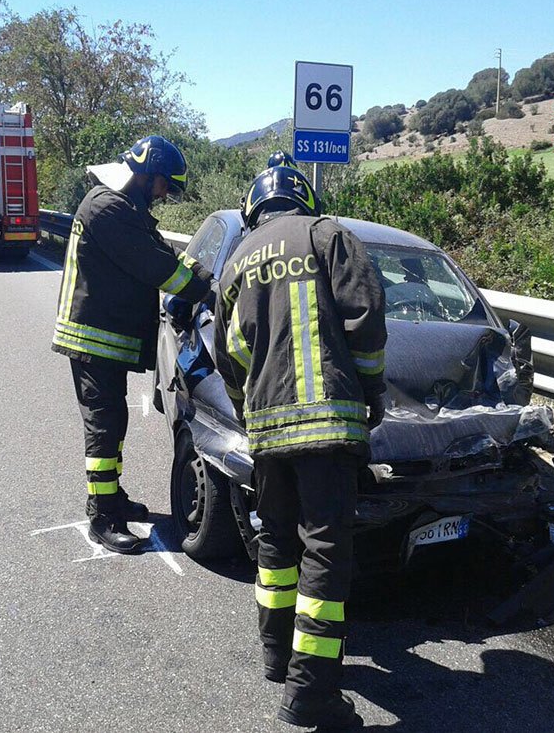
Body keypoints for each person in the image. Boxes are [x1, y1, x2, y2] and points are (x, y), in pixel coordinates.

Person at [213, 166, 387, 729]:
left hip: (266, 430)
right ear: (302, 199)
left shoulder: (237, 260)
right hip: (327, 427)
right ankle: (310, 693)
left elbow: (232, 350)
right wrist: (371, 392)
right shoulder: (327, 235)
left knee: (277, 540)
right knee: (325, 553)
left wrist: (251, 405)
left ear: (254, 209)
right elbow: (365, 320)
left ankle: (276, 654)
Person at [52, 135, 215, 554]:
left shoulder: (123, 206)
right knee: (104, 427)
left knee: (114, 420)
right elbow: (158, 267)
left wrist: (195, 267)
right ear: (146, 172)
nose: (164, 194)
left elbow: (162, 250)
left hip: (106, 339)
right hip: (92, 337)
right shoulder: (107, 207)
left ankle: (112, 498)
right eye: (163, 184)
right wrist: (206, 289)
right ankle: (102, 516)